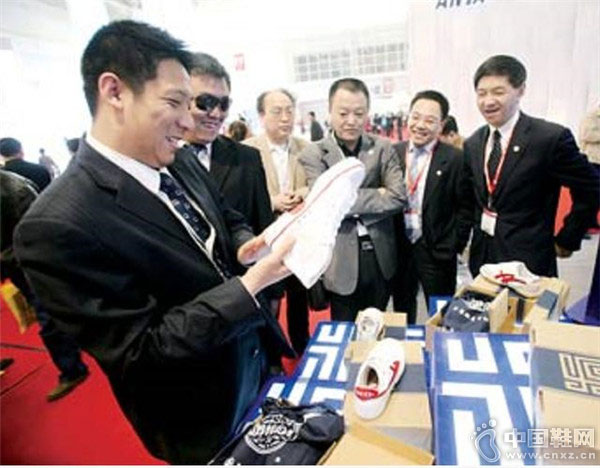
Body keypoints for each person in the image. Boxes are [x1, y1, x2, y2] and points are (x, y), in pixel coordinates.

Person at [14, 20, 294, 464]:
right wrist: (251, 285)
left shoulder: (178, 159)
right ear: (114, 92)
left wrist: (246, 244)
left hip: (255, 360)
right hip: (199, 411)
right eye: (175, 102)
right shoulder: (57, 225)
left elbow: (226, 216)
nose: (189, 120)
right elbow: (142, 353)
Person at [461, 55, 599, 277]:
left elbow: (591, 187)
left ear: (521, 90)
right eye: (481, 93)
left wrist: (568, 237)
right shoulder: (473, 143)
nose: (488, 101)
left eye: (498, 92)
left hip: (529, 262)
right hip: (484, 258)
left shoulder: (549, 139)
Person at [299, 78, 405, 322]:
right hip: (340, 257)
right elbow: (323, 203)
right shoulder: (314, 153)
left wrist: (342, 198)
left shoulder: (382, 147)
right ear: (330, 111)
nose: (351, 120)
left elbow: (398, 196)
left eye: (359, 113)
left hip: (380, 254)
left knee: (379, 324)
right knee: (345, 328)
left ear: (367, 113)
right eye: (343, 113)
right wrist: (377, 193)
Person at [0, 170, 89, 400]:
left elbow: (32, 231)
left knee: (47, 316)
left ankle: (72, 370)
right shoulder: (13, 184)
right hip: (25, 261)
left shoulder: (12, 189)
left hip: (30, 262)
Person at [391, 91, 471, 324]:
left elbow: (466, 207)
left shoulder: (455, 158)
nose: (420, 125)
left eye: (429, 120)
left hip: (437, 249)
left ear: (441, 124)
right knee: (402, 309)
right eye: (415, 117)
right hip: (400, 248)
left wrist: (455, 243)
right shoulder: (393, 153)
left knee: (441, 313)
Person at [175, 52, 273, 236]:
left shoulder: (247, 159)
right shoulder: (158, 157)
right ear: (182, 99)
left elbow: (264, 230)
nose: (216, 113)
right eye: (205, 102)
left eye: (224, 104)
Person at [244, 89, 310, 353]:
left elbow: (315, 184)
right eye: (277, 111)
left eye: (289, 111)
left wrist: (300, 194)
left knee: (299, 296)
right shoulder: (248, 150)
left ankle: (301, 346)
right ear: (262, 116)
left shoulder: (306, 148)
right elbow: (243, 197)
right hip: (265, 237)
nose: (285, 118)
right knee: (269, 297)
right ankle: (271, 353)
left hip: (297, 237)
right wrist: (273, 202)